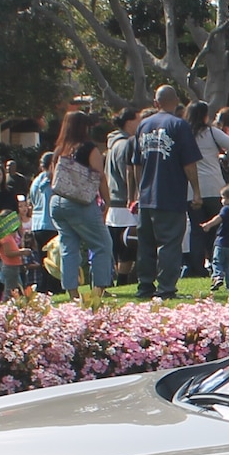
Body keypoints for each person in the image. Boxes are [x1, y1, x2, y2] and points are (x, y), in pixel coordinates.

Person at [133, 85, 201, 300]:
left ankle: (145, 286)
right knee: (170, 243)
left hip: (146, 196)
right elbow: (189, 163)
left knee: (145, 244)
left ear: (156, 103)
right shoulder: (179, 125)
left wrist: (138, 190)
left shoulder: (143, 125)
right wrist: (196, 191)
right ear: (177, 101)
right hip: (170, 194)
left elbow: (136, 163)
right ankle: (166, 289)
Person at [43, 110, 113, 295]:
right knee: (102, 244)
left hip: (57, 202)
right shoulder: (88, 148)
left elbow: (52, 178)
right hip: (79, 203)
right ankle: (99, 289)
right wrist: (107, 200)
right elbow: (100, 176)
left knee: (68, 246)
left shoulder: (58, 150)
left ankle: (72, 292)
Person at [189, 100, 229, 278]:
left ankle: (196, 267)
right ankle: (217, 265)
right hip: (214, 186)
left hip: (191, 188)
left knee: (196, 229)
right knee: (215, 228)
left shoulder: (185, 133)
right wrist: (224, 157)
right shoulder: (212, 132)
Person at [104, 108, 142, 282]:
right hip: (125, 205)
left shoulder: (113, 144)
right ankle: (122, 280)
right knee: (127, 248)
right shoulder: (125, 144)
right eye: (138, 120)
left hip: (114, 204)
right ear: (129, 122)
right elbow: (127, 173)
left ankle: (121, 279)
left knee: (120, 249)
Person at [26, 149, 64, 294]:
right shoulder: (49, 180)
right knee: (54, 258)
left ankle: (44, 286)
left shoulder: (35, 181)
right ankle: (54, 287)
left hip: (37, 224)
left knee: (43, 257)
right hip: (50, 223)